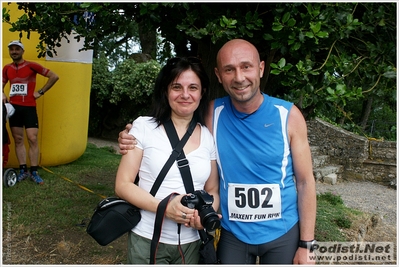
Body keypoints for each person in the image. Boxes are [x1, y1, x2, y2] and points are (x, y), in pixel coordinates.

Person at [118, 39, 316, 264]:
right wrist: (130, 135)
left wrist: (308, 244)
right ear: (219, 75)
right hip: (234, 235)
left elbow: (305, 182)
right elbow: (175, 122)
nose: (239, 78)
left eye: (246, 67)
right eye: (229, 70)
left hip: (283, 232)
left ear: (261, 68)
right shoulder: (212, 113)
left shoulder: (289, 116)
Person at [114, 57, 219, 264]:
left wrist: (206, 214)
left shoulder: (208, 136)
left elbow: (213, 190)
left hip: (193, 243)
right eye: (177, 87)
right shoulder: (143, 127)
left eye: (193, 87)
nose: (185, 95)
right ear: (165, 91)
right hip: (147, 238)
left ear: (202, 92)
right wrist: (164, 208)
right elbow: (122, 184)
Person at [2, 40, 59, 184]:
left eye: (17, 49)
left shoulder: (31, 65)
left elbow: (54, 76)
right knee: (18, 139)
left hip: (29, 107)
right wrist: (2, 93)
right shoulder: (7, 68)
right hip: (14, 108)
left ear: (22, 51)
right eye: (11, 49)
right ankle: (23, 171)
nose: (14, 51)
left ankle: (34, 171)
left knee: (32, 138)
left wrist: (40, 92)